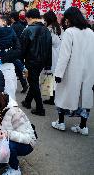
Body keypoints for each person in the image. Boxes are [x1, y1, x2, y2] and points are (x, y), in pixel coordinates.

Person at [51, 7, 94, 135]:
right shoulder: (91, 33)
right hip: (89, 71)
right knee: (85, 97)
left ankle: (61, 122)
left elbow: (64, 56)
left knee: (63, 95)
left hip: (71, 71)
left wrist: (58, 74)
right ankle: (83, 126)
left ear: (69, 18)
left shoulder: (69, 32)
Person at [20, 8, 52, 116]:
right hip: (42, 61)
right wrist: (48, 63)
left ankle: (40, 108)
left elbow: (22, 48)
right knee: (33, 81)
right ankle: (27, 101)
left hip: (31, 61)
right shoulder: (46, 30)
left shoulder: (28, 30)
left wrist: (21, 61)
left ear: (29, 18)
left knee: (33, 83)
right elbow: (49, 48)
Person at [42, 11, 63, 105]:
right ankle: (53, 96)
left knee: (48, 75)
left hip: (51, 54)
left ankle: (51, 98)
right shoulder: (60, 28)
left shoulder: (50, 29)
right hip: (59, 54)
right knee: (54, 75)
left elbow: (50, 42)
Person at [9, 11, 29, 93]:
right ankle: (24, 83)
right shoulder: (22, 25)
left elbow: (11, 39)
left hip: (14, 50)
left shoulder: (12, 27)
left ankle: (22, 84)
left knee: (15, 68)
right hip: (21, 49)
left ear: (12, 18)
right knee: (18, 67)